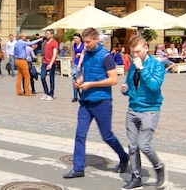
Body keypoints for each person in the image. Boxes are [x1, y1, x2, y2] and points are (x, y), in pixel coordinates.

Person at [62, 28, 129, 180]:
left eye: (88, 42)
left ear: (97, 39)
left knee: (107, 135)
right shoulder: (87, 55)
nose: (85, 45)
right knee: (80, 134)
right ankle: (78, 167)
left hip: (102, 102)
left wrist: (90, 84)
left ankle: (123, 156)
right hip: (85, 102)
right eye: (84, 42)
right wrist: (79, 81)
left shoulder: (106, 56)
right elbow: (86, 73)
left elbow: (113, 79)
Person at [121, 34, 167, 189]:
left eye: (138, 51)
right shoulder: (133, 65)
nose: (135, 55)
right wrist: (125, 90)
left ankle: (159, 167)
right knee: (132, 146)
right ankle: (136, 177)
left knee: (143, 144)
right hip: (133, 108)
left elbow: (154, 86)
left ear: (147, 48)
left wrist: (142, 67)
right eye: (133, 52)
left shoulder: (156, 65)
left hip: (150, 110)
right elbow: (130, 85)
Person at [40, 30, 60, 101]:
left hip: (51, 63)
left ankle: (51, 94)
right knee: (42, 77)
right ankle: (46, 92)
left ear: (52, 35)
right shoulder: (45, 42)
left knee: (51, 79)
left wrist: (51, 63)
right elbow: (43, 53)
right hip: (45, 62)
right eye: (46, 33)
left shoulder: (55, 43)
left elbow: (54, 54)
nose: (47, 35)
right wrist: (41, 62)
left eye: (48, 34)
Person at [70, 34, 84, 102]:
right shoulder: (74, 45)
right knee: (75, 79)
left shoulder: (83, 45)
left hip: (83, 64)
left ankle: (83, 95)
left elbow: (85, 54)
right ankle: (75, 96)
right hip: (76, 63)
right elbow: (73, 54)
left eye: (76, 38)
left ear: (80, 38)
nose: (75, 40)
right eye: (74, 38)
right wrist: (72, 62)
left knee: (83, 79)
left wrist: (80, 54)